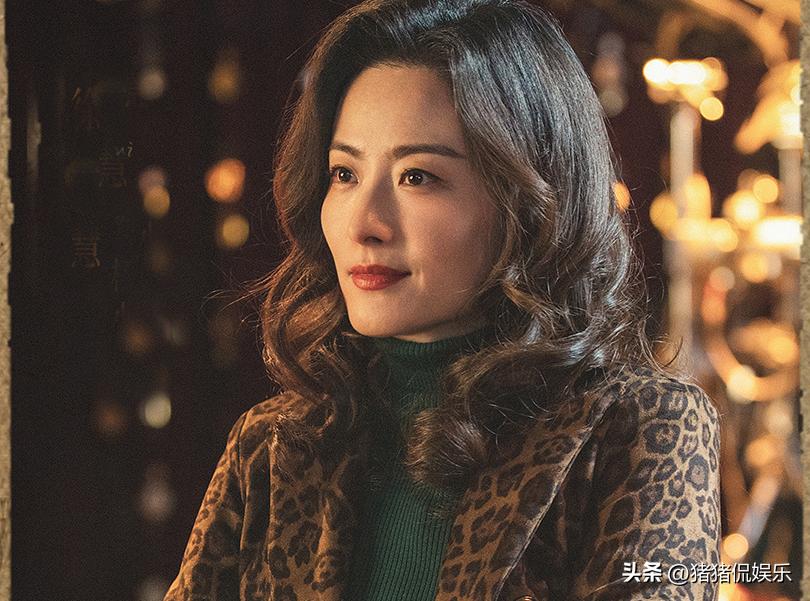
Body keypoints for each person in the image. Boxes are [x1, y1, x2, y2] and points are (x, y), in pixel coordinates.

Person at [164, 1, 722, 600]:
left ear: (528, 202)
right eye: (344, 174)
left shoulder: (639, 429)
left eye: (417, 177)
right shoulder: (273, 448)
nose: (364, 224)